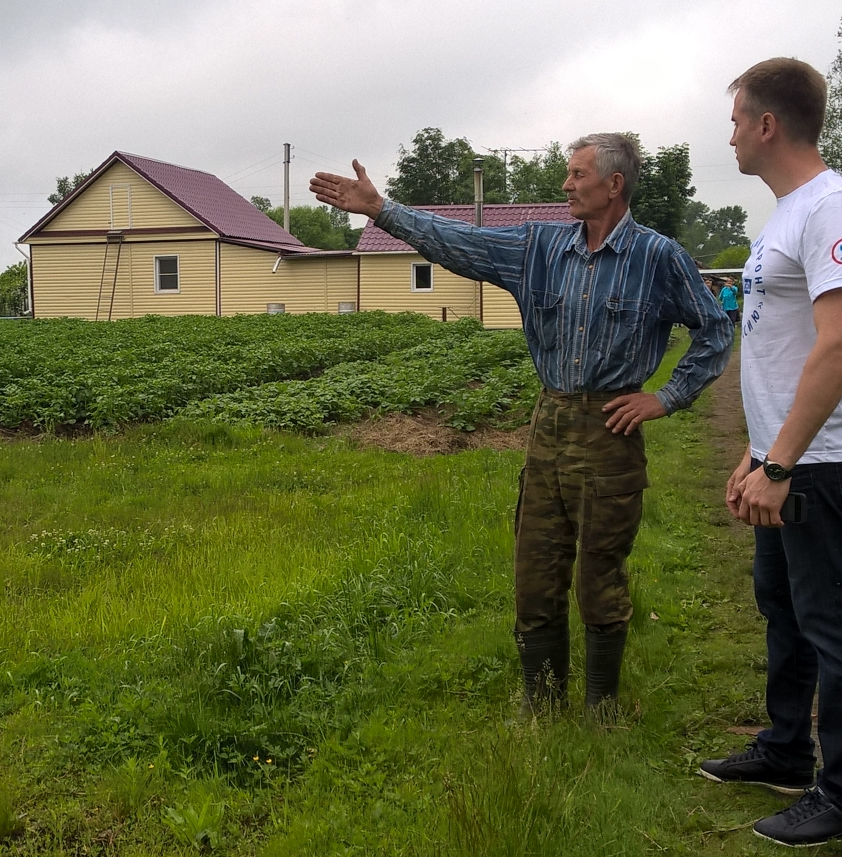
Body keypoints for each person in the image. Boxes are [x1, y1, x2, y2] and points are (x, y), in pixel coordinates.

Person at [310, 134, 731, 719]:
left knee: (598, 577)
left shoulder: (658, 258)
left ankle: (601, 712)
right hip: (549, 425)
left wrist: (665, 397)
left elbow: (715, 329)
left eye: (577, 174)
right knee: (535, 574)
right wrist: (383, 211)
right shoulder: (539, 247)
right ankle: (542, 707)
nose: (566, 184)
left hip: (610, 432)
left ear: (613, 184)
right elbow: (462, 242)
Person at [698, 58, 842, 846]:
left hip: (814, 459)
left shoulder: (834, 210)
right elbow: (782, 347)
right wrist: (755, 450)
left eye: (737, 119)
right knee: (785, 610)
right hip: (782, 451)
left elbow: (838, 346)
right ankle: (785, 751)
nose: (731, 133)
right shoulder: (785, 213)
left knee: (832, 624)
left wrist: (781, 465)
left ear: (768, 125)